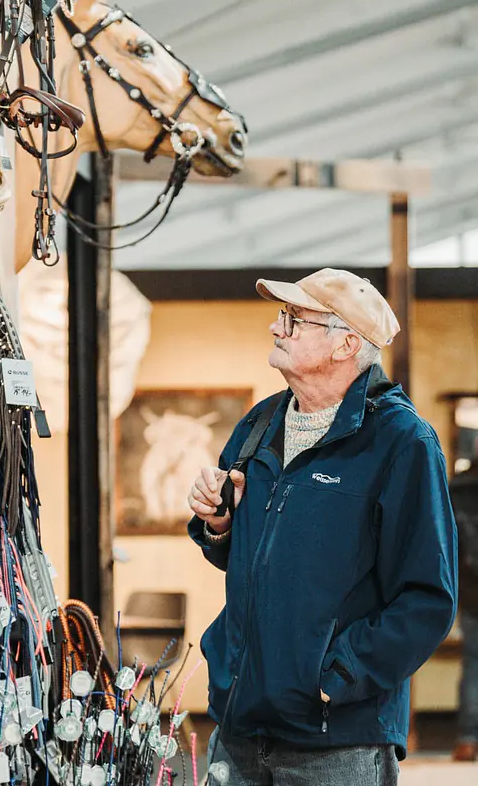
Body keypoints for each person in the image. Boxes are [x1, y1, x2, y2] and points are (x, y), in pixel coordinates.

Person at [185, 268, 458, 785]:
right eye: (281, 316)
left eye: (294, 319)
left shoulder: (402, 443)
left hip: (338, 740)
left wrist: (339, 677)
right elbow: (251, 558)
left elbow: (427, 599)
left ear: (346, 344)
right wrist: (219, 523)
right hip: (239, 726)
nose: (276, 328)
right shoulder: (260, 424)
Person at [451, 456, 478, 761]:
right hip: (471, 591)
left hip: (471, 591)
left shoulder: (457, 489)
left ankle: (468, 739)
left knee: (473, 664)